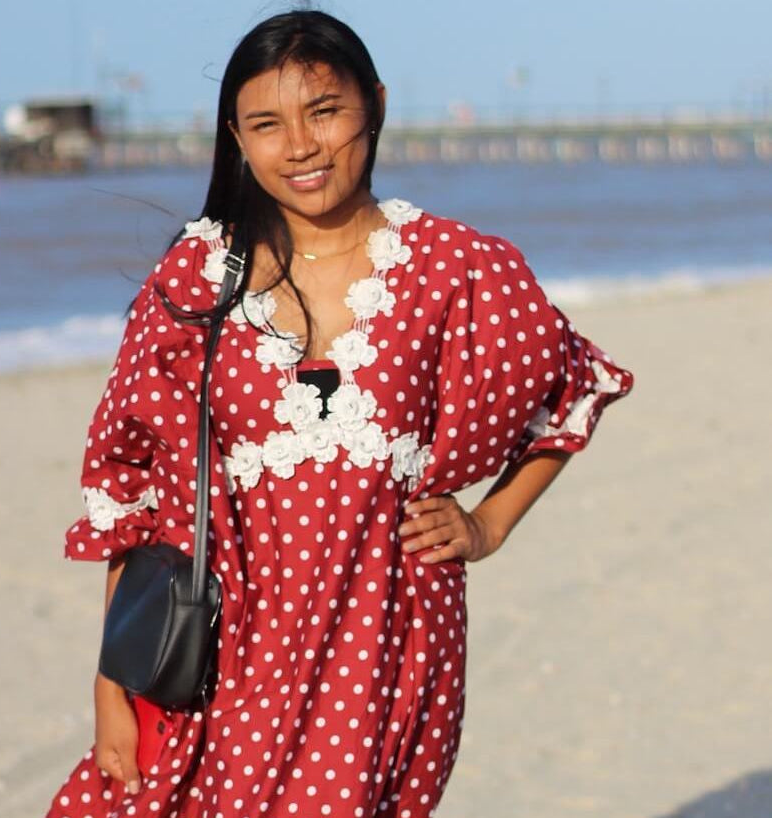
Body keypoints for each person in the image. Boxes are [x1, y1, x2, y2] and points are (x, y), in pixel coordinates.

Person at [44, 9, 633, 818]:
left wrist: (488, 525)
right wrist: (111, 683)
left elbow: (573, 385)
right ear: (236, 138)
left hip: (389, 637)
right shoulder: (195, 278)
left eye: (324, 111)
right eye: (266, 124)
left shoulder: (457, 270)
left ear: (376, 105)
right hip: (219, 648)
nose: (300, 147)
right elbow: (137, 494)